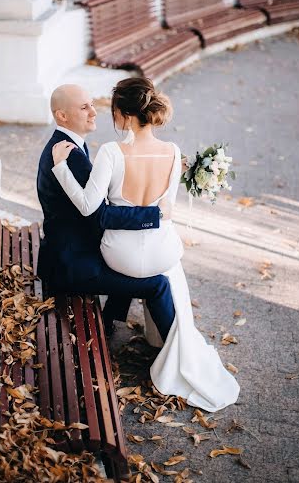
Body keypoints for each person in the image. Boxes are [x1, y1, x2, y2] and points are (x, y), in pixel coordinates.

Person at [52, 76, 240, 413]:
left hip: (119, 256)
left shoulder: (111, 152)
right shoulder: (172, 151)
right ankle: (169, 340)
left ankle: (139, 328)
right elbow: (166, 210)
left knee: (140, 261)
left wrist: (60, 168)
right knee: (169, 266)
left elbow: (87, 206)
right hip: (161, 250)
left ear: (122, 114)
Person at [37, 83, 175, 342]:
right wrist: (153, 215)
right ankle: (175, 353)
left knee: (126, 253)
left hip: (68, 250)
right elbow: (100, 215)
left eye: (92, 104)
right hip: (73, 265)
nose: (93, 112)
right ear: (62, 116)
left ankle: (108, 319)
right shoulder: (70, 156)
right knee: (158, 284)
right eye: (84, 107)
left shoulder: (68, 145)